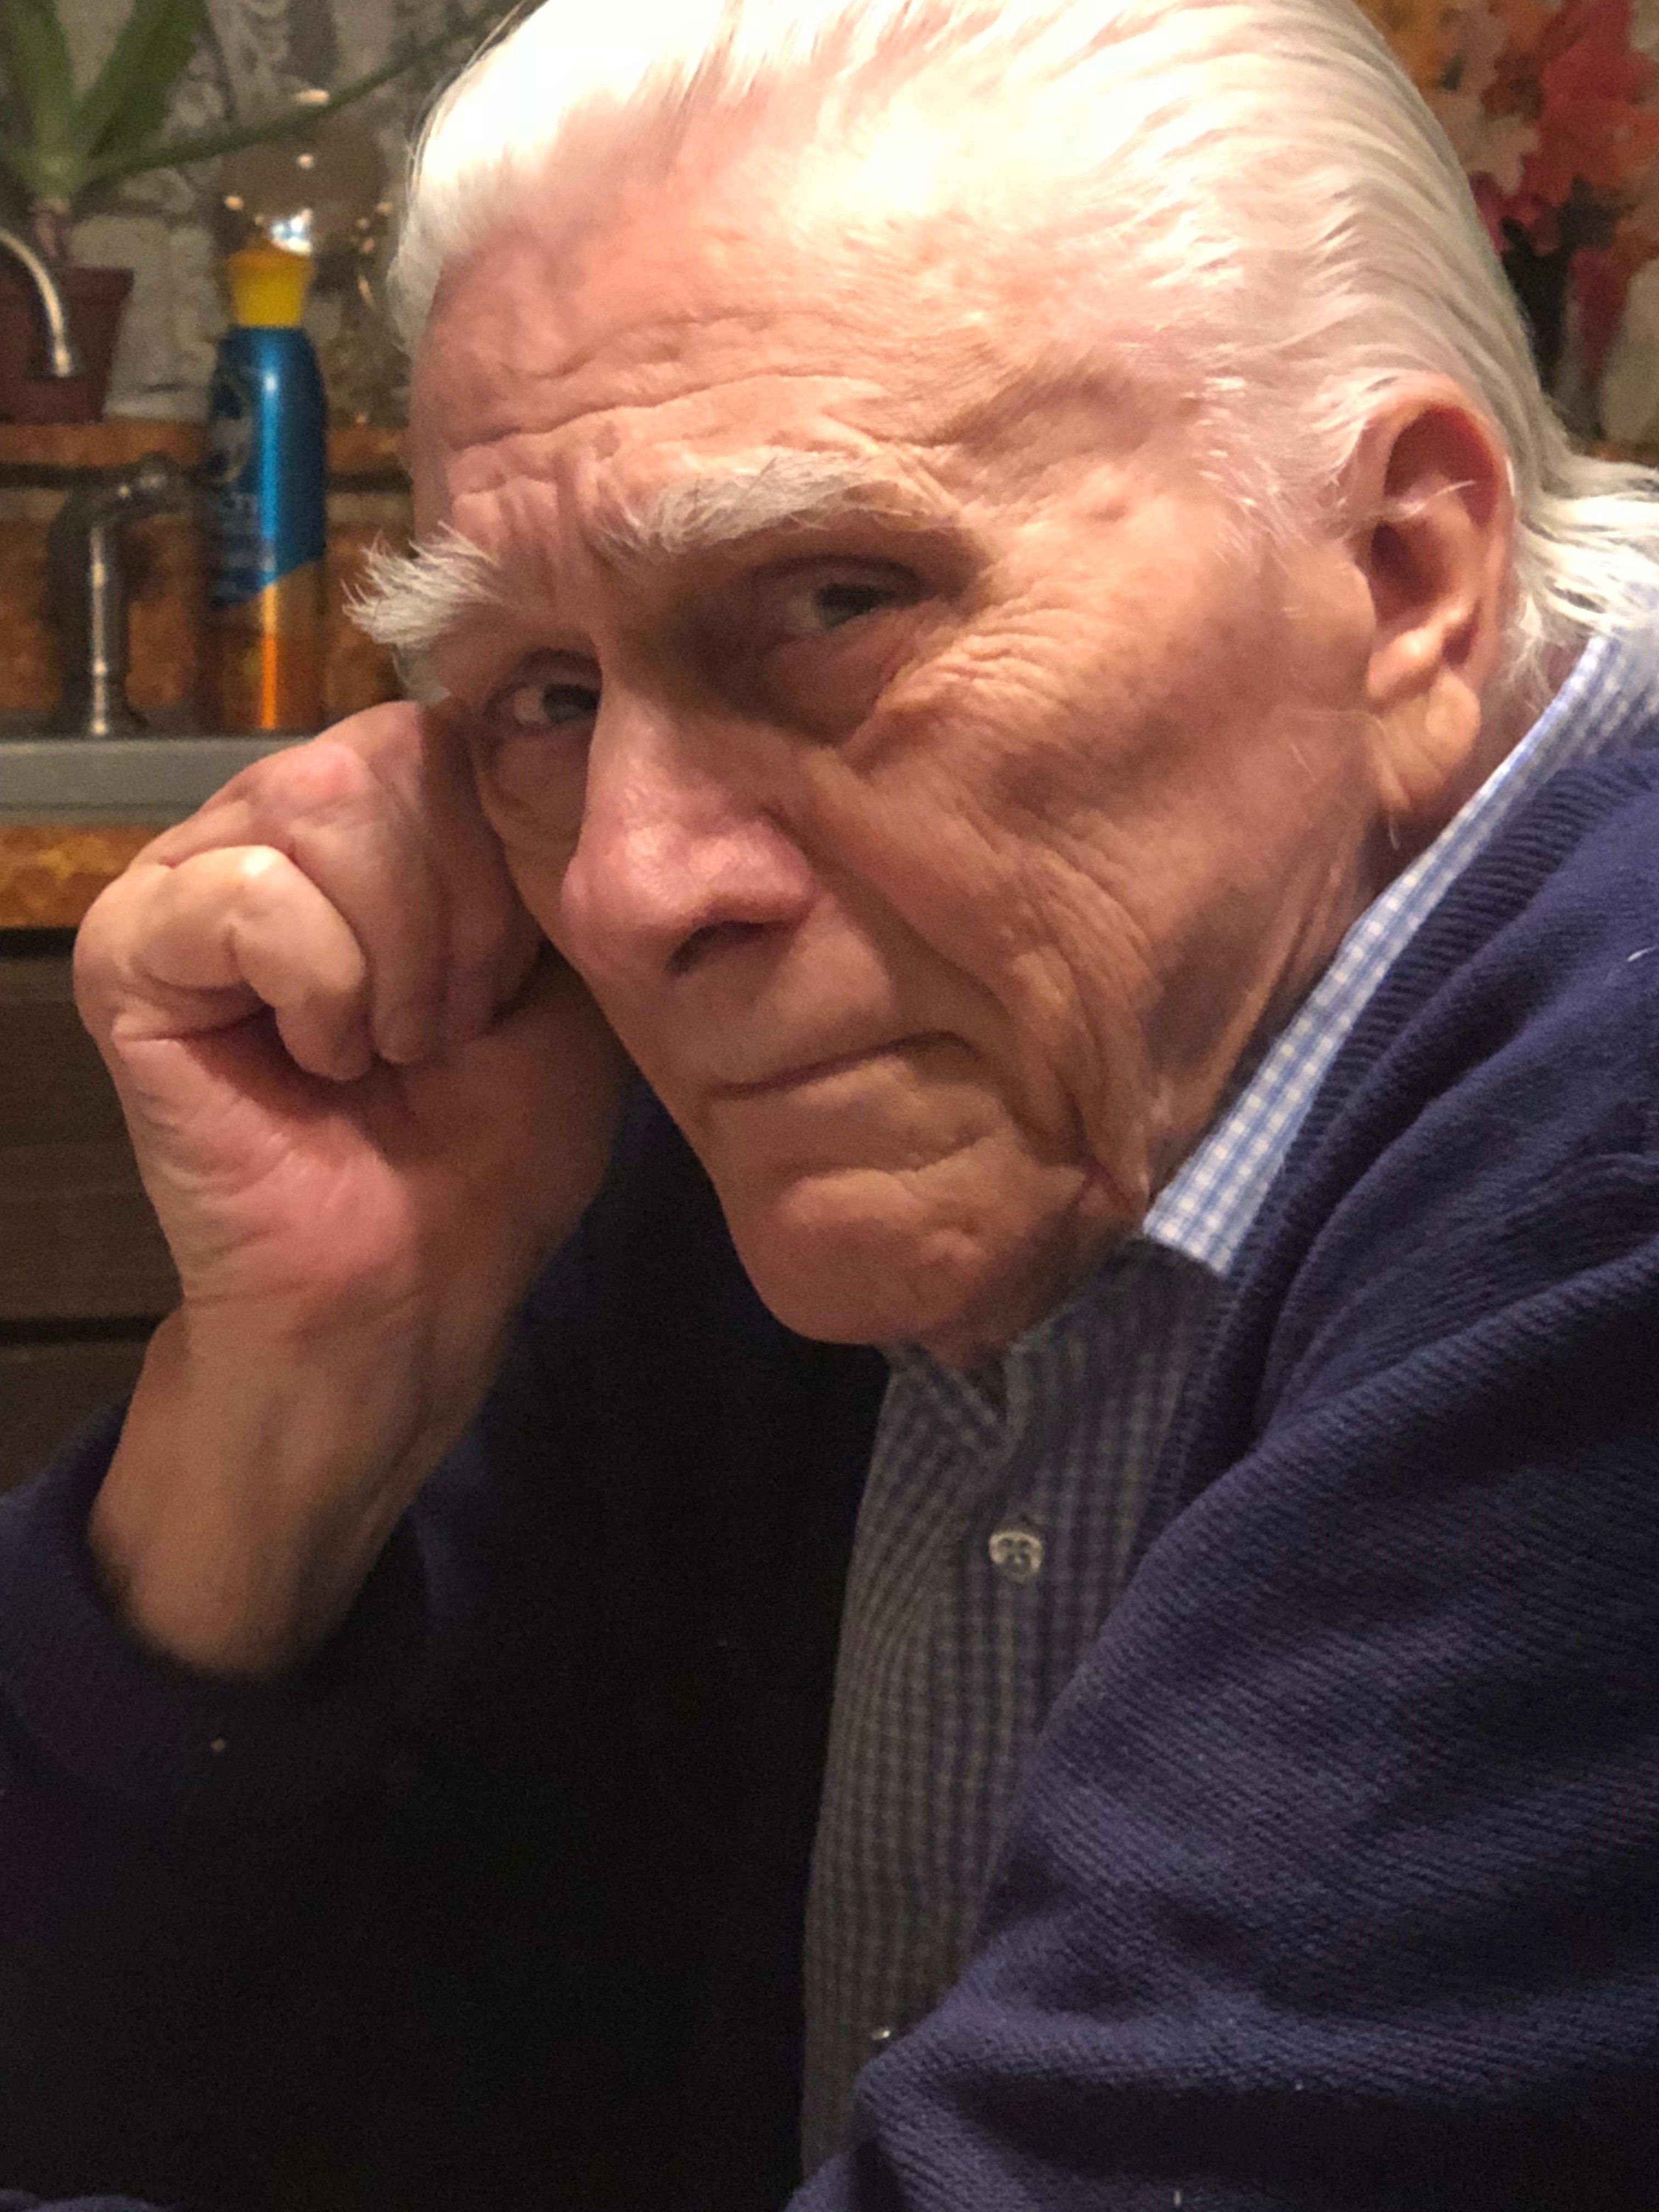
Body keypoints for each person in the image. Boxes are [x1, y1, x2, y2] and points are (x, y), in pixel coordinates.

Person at [4, 0, 1659, 2203]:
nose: (627, 886)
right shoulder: (792, 1121)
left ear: (1404, 574)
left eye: (837, 599)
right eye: (546, 695)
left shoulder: (1607, 1156)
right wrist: (298, 1402)